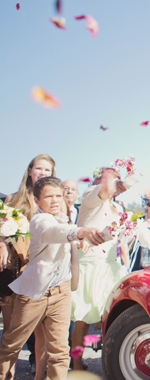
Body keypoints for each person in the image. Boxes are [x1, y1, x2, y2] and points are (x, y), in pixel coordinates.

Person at [0, 176, 104, 380]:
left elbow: (63, 233)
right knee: (13, 344)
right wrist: (81, 232)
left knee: (59, 351)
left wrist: (78, 242)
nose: (55, 200)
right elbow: (55, 232)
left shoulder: (64, 219)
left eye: (59, 195)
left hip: (61, 292)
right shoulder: (40, 221)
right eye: (48, 196)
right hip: (35, 293)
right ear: (37, 201)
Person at [70, 167, 134, 371]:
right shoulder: (90, 195)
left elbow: (121, 238)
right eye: (108, 179)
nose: (112, 183)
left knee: (110, 317)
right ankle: (77, 365)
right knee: (83, 320)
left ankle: (113, 360)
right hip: (90, 264)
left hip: (110, 266)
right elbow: (104, 191)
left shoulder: (119, 208)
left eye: (115, 179)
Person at [1, 154, 55, 379]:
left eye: (48, 170)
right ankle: (8, 372)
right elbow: (3, 229)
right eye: (39, 168)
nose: (42, 173)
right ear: (30, 171)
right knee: (13, 329)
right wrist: (2, 243)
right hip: (14, 270)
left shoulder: (52, 202)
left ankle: (39, 374)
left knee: (42, 329)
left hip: (41, 271)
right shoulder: (13, 200)